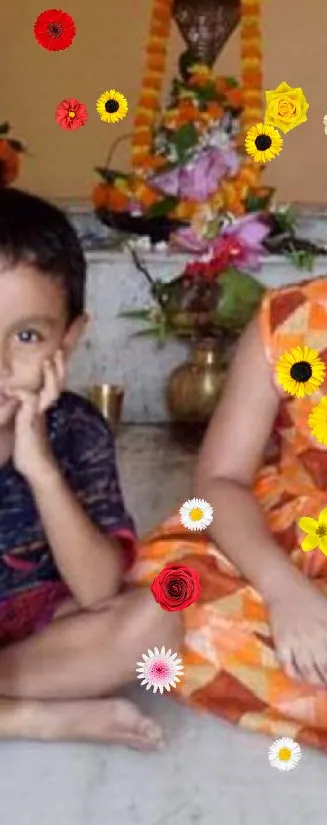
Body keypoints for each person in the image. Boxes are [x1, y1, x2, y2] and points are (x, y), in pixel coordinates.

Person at [135, 90, 327, 773]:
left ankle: (324, 677)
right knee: (174, 594)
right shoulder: (285, 321)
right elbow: (219, 479)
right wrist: (284, 592)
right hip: (279, 555)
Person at [0, 188, 181, 750]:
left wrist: (41, 470)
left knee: (161, 619)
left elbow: (100, 589)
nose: (0, 362)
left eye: (26, 336)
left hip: (29, 635)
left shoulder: (76, 430)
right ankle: (29, 716)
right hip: (28, 666)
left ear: (70, 339)